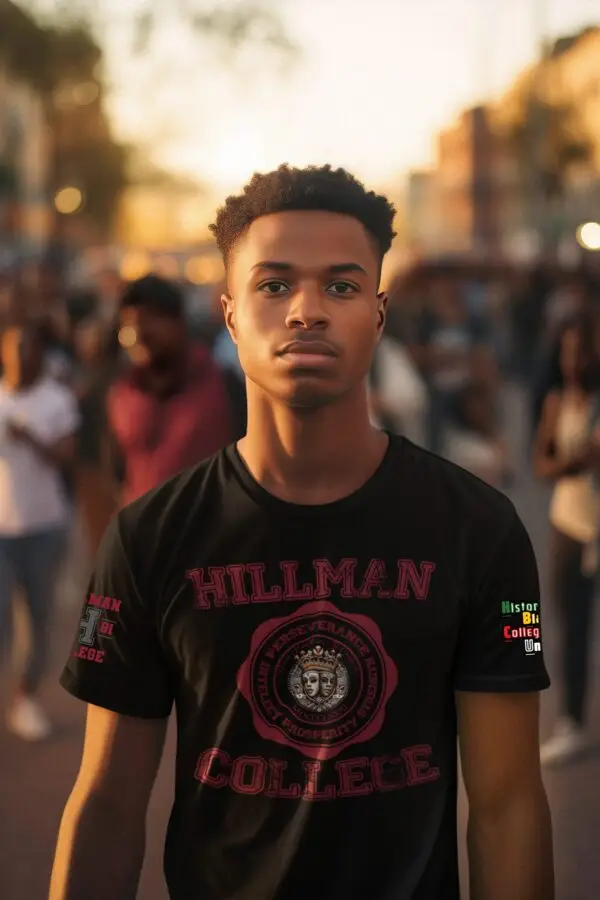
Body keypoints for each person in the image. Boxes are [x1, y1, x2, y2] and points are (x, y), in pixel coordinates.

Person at [51, 165, 554, 900]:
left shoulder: (481, 530)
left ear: (379, 315)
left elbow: (508, 805)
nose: (306, 311)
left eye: (342, 287)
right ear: (229, 314)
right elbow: (106, 806)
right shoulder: (150, 537)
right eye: (275, 285)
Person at [0, 322, 79, 741]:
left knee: (36, 621)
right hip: (1, 529)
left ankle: (24, 699)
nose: (21, 355)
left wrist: (28, 436)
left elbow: (65, 456)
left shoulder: (56, 399)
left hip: (44, 527)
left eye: (29, 346)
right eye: (14, 347)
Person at [533, 313, 600, 765]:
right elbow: (542, 462)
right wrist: (577, 460)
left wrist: (570, 460)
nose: (572, 361)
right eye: (567, 351)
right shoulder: (558, 401)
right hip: (569, 525)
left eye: (581, 351)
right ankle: (572, 721)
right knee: (570, 628)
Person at [106, 274, 232, 506]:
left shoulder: (222, 383)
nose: (138, 334)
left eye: (149, 320)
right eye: (128, 323)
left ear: (179, 322)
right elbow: (117, 470)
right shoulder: (122, 392)